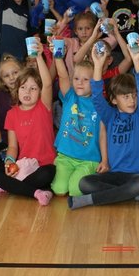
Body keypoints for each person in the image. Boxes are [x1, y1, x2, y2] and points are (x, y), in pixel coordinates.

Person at [69, 33, 139, 208]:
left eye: (133, 96)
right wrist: (98, 65)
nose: (132, 101)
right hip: (114, 175)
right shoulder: (109, 115)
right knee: (85, 183)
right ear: (114, 100)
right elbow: (97, 96)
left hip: (136, 176)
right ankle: (132, 196)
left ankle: (90, 200)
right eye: (126, 97)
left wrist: (137, 61)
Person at [0, 42, 57, 206]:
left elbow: (48, 83)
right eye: (23, 87)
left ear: (40, 91)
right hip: (22, 165)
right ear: (16, 90)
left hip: (43, 165)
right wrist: (9, 161)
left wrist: (38, 56)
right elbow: (13, 147)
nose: (27, 92)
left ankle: (9, 187)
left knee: (47, 174)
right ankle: (36, 192)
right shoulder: (12, 114)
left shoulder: (43, 107)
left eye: (33, 88)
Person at [51, 57, 104, 197]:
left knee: (75, 190)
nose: (80, 82)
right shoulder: (70, 97)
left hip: (88, 159)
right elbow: (62, 75)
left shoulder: (99, 103)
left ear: (94, 82)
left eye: (86, 80)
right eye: (76, 79)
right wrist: (57, 56)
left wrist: (104, 160)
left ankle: (94, 177)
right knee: (59, 190)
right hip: (66, 156)